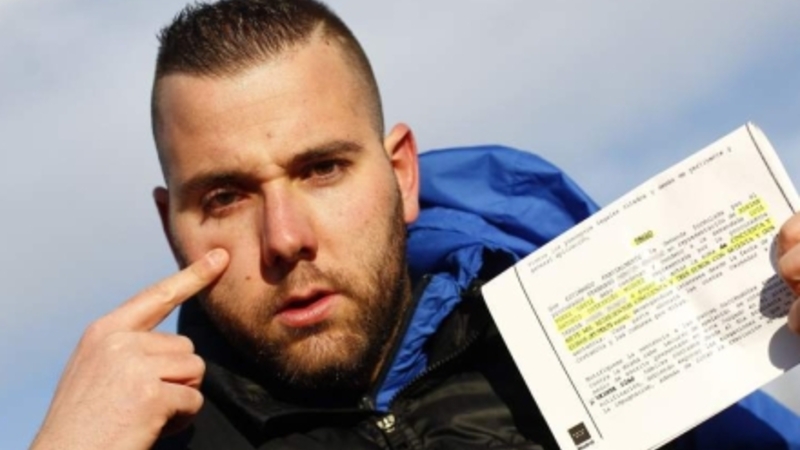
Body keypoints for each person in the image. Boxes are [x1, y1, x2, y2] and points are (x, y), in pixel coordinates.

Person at [29, 1, 800, 449]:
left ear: (401, 174)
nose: (286, 238)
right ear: (172, 224)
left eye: (321, 169)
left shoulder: (576, 340)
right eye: (226, 197)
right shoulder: (137, 440)